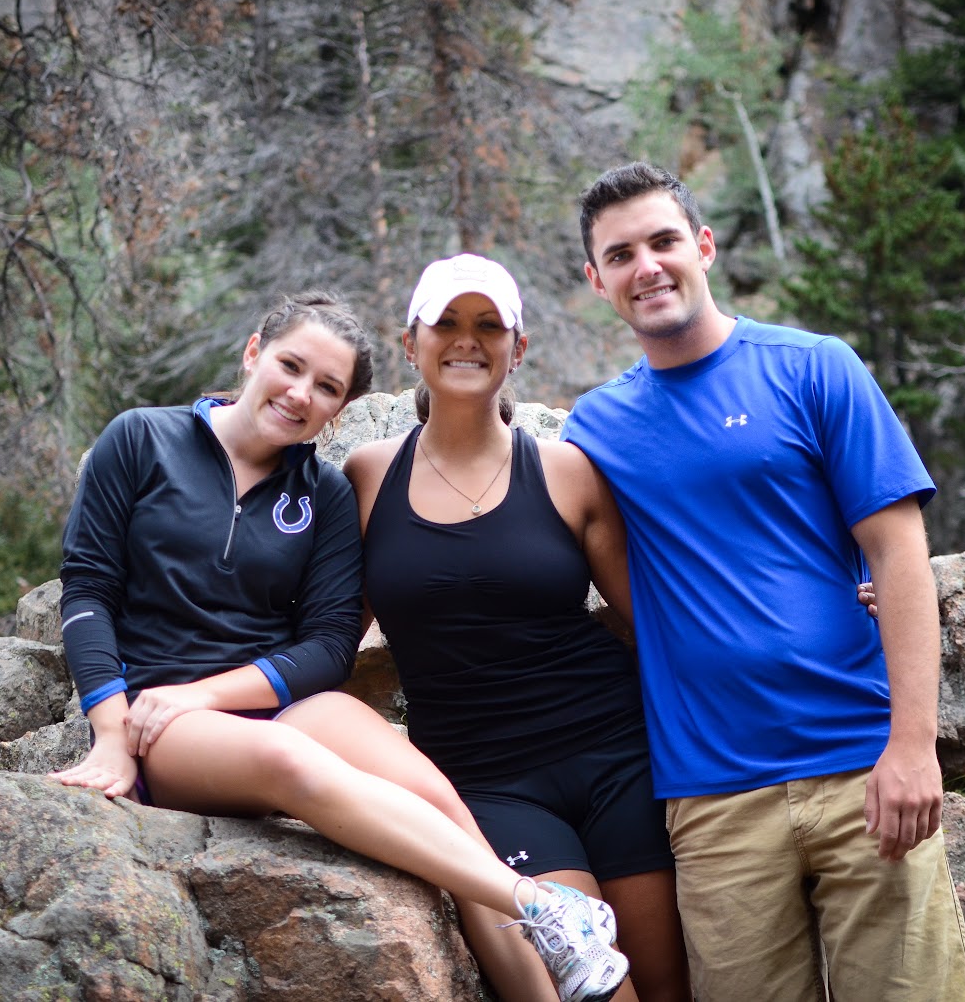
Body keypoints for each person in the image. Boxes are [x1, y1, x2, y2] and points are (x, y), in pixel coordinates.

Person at [49, 290, 629, 1002]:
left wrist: (208, 693)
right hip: (160, 719)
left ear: (339, 410)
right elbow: (87, 591)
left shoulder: (324, 492)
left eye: (326, 387)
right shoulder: (141, 439)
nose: (300, 394)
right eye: (291, 366)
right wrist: (111, 734)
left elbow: (328, 648)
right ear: (254, 352)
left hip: (261, 700)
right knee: (288, 759)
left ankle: (553, 974)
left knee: (443, 804)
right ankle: (539, 903)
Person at [560, 163, 965, 1002]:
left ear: (704, 247)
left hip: (862, 766)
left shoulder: (814, 367)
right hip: (713, 799)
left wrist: (912, 746)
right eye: (621, 254)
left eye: (664, 242)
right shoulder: (595, 429)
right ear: (597, 280)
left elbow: (899, 552)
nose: (647, 267)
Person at [344, 254, 691, 1002]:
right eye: (445, 323)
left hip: (619, 759)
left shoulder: (567, 471)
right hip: (486, 783)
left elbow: (657, 619)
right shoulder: (368, 478)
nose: (466, 340)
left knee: (670, 989)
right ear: (410, 344)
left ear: (518, 348)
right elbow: (329, 641)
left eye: (488, 325)